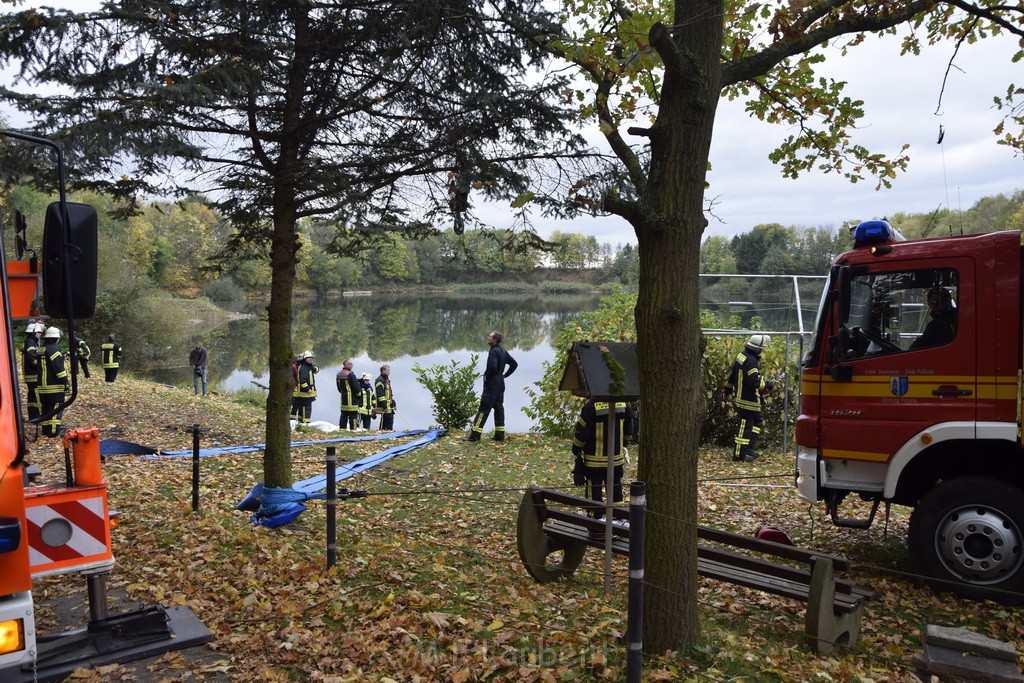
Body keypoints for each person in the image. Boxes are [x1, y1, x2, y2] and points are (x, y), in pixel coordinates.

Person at [571, 398, 634, 538]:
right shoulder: (623, 402)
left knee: (594, 488)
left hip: (594, 461)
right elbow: (629, 429)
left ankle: (596, 521)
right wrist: (623, 444)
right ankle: (618, 518)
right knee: (616, 487)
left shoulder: (591, 405)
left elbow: (582, 433)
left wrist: (576, 449)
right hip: (616, 459)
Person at [725, 334, 772, 463]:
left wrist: (728, 389)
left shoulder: (742, 356)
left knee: (757, 421)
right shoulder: (751, 361)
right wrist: (767, 385)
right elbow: (753, 381)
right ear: (757, 349)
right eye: (762, 349)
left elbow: (733, 374)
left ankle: (749, 449)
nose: (762, 351)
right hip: (748, 400)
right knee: (745, 427)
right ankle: (739, 455)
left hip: (742, 397)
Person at [466, 331, 518, 442]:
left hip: (492, 384)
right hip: (500, 384)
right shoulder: (503, 351)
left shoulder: (494, 351)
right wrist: (504, 376)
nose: (488, 337)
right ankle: (499, 436)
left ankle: (475, 435)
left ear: (495, 340)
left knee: (483, 408)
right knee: (499, 407)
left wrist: (487, 377)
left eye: (490, 336)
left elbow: (492, 367)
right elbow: (514, 364)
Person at [37, 326, 69, 437]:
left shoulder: (41, 349)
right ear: (55, 338)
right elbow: (58, 368)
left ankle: (45, 430)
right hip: (54, 385)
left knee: (45, 408)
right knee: (56, 407)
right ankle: (54, 431)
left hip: (41, 385)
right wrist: (65, 381)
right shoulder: (54, 350)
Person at [23, 320, 43, 421]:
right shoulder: (31, 342)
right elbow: (31, 357)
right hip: (33, 375)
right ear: (33, 332)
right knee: (36, 395)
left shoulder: (30, 341)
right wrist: (40, 366)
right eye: (39, 332)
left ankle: (33, 415)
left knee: (32, 395)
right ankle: (37, 415)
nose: (40, 334)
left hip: (30, 374)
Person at [291, 350, 317, 426]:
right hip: (304, 393)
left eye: (311, 358)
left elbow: (316, 369)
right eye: (308, 358)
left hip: (304, 393)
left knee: (302, 409)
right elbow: (302, 381)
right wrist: (308, 389)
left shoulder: (309, 366)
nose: (310, 359)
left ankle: (300, 422)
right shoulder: (303, 368)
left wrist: (314, 368)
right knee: (305, 409)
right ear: (304, 359)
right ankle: (305, 424)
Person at [335, 358, 360, 430]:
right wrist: (358, 395)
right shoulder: (351, 374)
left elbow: (339, 387)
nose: (352, 366)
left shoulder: (339, 374)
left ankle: (342, 429)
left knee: (343, 415)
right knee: (353, 416)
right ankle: (353, 430)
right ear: (346, 365)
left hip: (344, 399)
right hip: (352, 400)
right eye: (350, 364)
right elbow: (356, 387)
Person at [375, 364, 396, 431]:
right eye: (388, 370)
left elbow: (390, 392)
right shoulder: (379, 380)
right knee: (386, 421)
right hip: (385, 406)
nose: (389, 372)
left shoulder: (386, 380)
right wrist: (384, 405)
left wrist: (393, 401)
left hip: (389, 405)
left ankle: (387, 432)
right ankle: (384, 433)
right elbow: (380, 394)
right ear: (383, 371)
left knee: (389, 420)